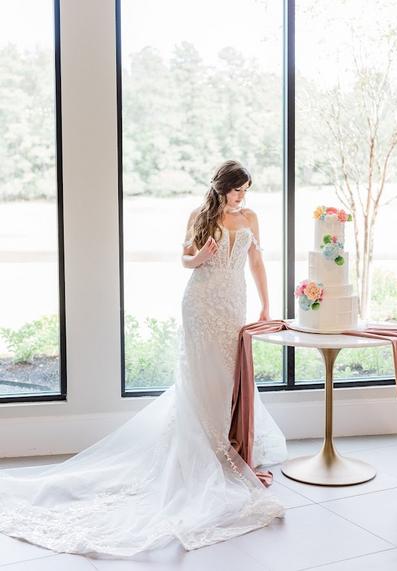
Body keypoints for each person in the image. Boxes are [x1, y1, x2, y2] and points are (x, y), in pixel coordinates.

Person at [0, 159, 287, 560]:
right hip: (201, 304)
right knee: (203, 381)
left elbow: (256, 262)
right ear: (222, 188)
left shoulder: (252, 217)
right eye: (237, 190)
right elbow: (184, 260)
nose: (242, 197)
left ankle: (231, 450)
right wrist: (200, 256)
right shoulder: (199, 216)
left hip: (233, 306)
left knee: (230, 380)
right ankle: (212, 455)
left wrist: (266, 306)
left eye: (246, 190)